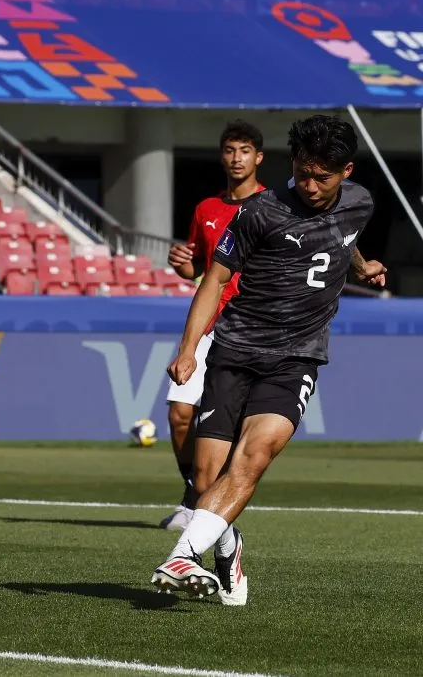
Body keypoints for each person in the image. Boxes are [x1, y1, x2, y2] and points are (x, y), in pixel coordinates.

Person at [151, 116, 386, 605]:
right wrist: (188, 350)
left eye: (322, 177)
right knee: (206, 478)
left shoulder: (360, 202)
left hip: (295, 358)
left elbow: (343, 236)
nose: (310, 186)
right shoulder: (259, 212)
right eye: (302, 173)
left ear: (346, 171)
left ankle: (182, 556)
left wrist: (363, 265)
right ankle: (228, 545)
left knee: (254, 455)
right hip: (235, 351)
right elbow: (214, 280)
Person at [160, 121, 266, 532]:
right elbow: (201, 270)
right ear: (222, 155)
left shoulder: (272, 206)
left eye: (245, 150)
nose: (237, 158)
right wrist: (183, 265)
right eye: (230, 150)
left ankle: (211, 503)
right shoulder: (206, 208)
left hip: (253, 325)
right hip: (209, 323)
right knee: (179, 415)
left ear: (258, 157)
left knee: (235, 427)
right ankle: (192, 497)